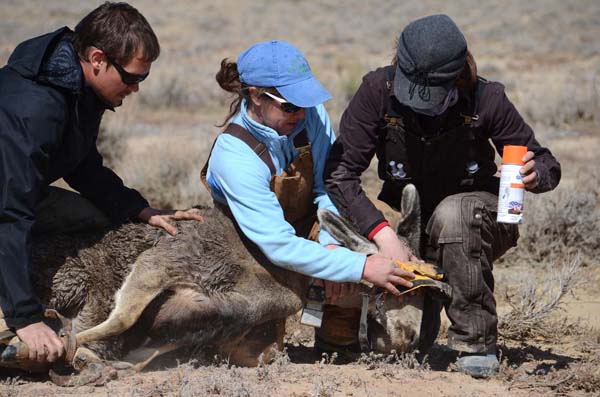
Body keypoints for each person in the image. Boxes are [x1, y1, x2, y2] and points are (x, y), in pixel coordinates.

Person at [324, 14, 561, 378]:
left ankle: (475, 340)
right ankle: (367, 317)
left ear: (458, 76)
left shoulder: (487, 98)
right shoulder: (376, 91)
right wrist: (382, 235)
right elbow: (339, 175)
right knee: (398, 345)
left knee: (455, 213)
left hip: (477, 221)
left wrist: (535, 173)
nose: (421, 104)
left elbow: (547, 163)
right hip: (409, 230)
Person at [0, 2, 202, 365]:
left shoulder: (75, 89)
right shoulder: (34, 108)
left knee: (93, 217)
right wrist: (24, 317)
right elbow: (9, 212)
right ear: (97, 59)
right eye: (131, 78)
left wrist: (136, 208)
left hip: (12, 193)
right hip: (5, 202)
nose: (136, 89)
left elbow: (82, 165)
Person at [202, 40, 416, 350]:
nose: (301, 113)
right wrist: (359, 267)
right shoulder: (234, 156)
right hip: (251, 249)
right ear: (255, 96)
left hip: (304, 229)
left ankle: (337, 326)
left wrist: (333, 245)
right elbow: (277, 244)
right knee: (259, 353)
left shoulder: (309, 116)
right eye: (289, 105)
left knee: (364, 229)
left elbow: (328, 188)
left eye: (304, 101)